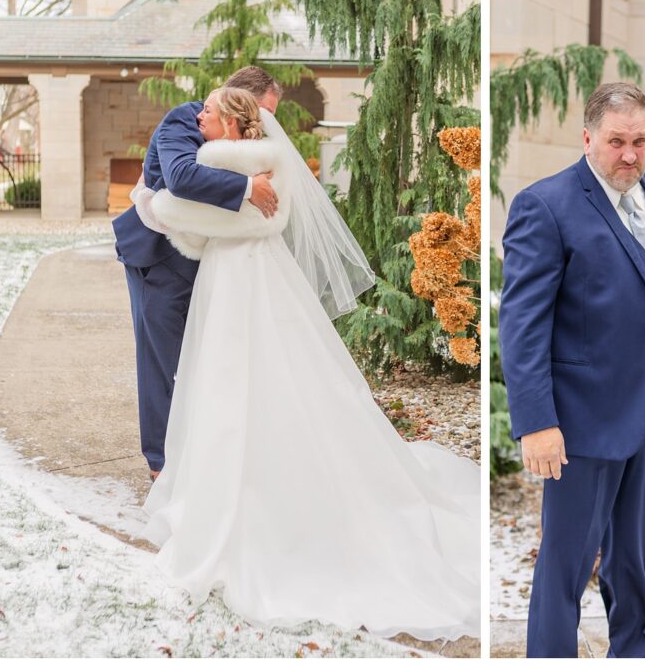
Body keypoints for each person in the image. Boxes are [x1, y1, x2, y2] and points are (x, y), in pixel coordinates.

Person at [135, 86, 479, 640]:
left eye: (209, 111)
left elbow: (172, 208)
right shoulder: (270, 163)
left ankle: (236, 502)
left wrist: (152, 203)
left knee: (229, 387)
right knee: (276, 385)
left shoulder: (223, 161)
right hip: (258, 279)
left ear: (231, 123)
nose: (197, 114)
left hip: (238, 286)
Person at [499, 82, 645, 657]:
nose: (630, 155)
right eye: (616, 141)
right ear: (588, 137)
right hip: (579, 423)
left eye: (640, 140)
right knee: (565, 563)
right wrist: (537, 422)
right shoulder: (546, 205)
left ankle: (633, 648)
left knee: (634, 555)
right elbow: (523, 325)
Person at [113, 66, 282, 482]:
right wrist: (247, 188)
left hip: (214, 263)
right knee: (161, 362)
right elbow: (181, 177)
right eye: (262, 112)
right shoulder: (186, 119)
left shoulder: (255, 140)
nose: (265, 124)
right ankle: (161, 464)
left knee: (206, 362)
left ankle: (207, 455)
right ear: (234, 102)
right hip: (159, 258)